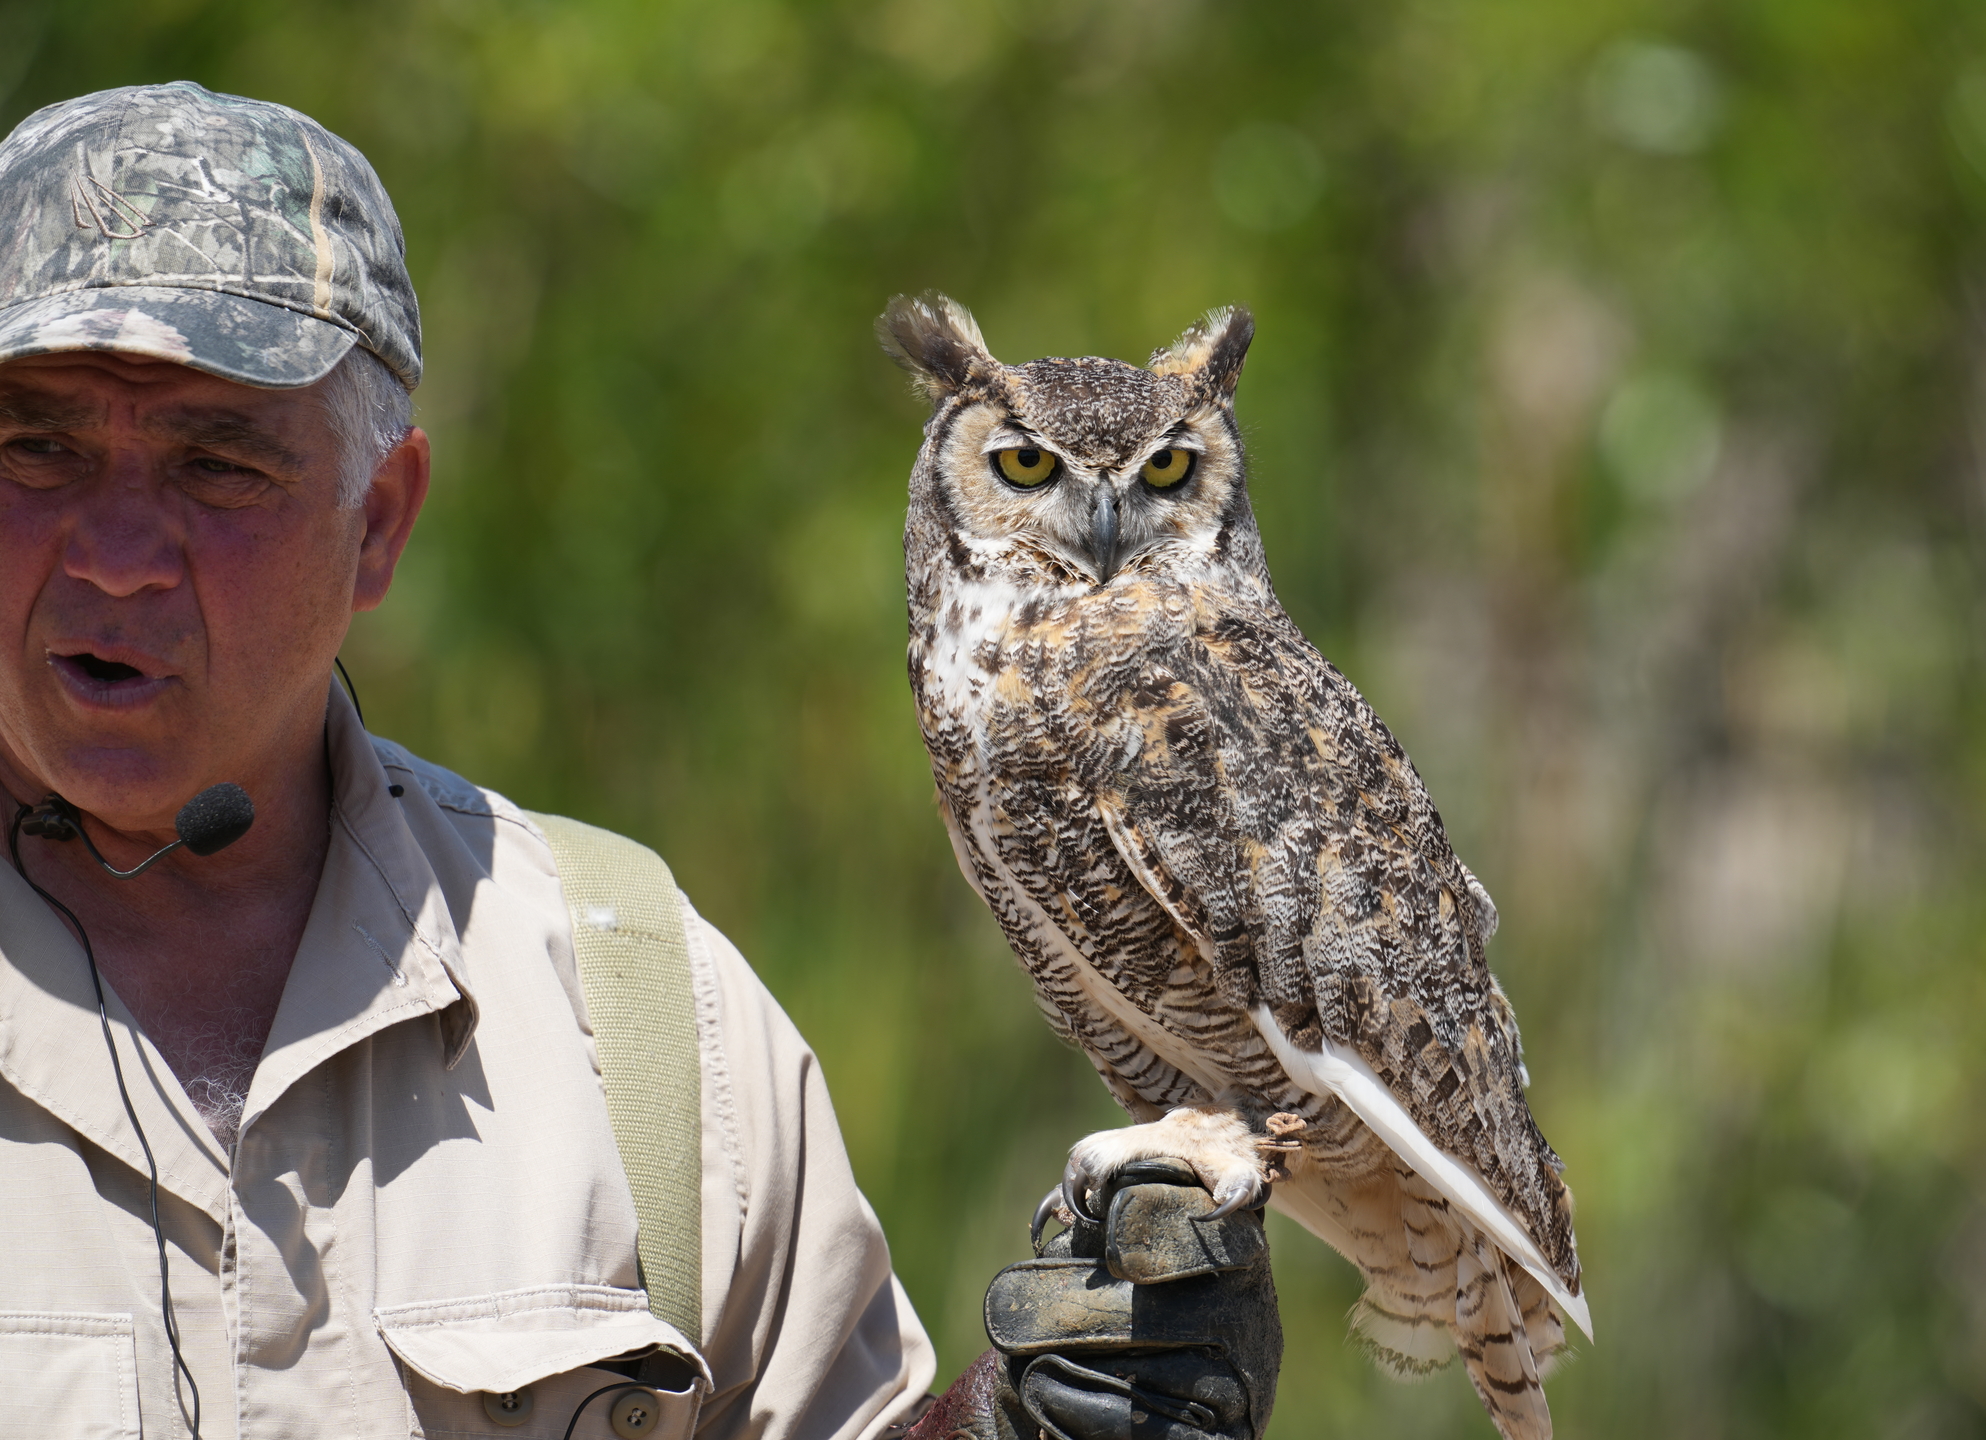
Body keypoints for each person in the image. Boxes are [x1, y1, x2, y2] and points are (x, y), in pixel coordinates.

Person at [0, 82, 1278, 1440]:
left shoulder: (642, 1015)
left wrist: (1024, 1428)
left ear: (378, 523)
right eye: (38, 449)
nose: (117, 554)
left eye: (219, 468)